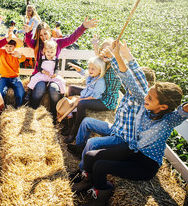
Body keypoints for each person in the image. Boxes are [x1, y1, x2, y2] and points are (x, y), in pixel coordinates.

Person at [71, 41, 188, 206]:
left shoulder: (169, 120)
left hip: (145, 164)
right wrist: (121, 56)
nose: (145, 97)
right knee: (91, 156)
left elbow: (183, 111)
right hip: (132, 151)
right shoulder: (145, 107)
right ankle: (87, 180)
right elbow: (132, 81)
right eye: (146, 95)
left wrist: (117, 57)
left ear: (163, 106)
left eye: (150, 97)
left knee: (100, 166)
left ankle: (101, 195)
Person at [67, 40, 156, 183]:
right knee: (86, 122)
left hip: (122, 138)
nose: (131, 81)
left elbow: (127, 76)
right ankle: (79, 148)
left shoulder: (141, 97)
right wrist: (127, 55)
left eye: (134, 80)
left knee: (92, 142)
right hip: (116, 128)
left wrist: (116, 57)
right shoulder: (130, 93)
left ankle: (82, 171)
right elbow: (132, 73)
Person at [24, 18, 98, 122]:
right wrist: (28, 32)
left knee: (54, 90)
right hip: (40, 74)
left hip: (53, 75)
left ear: (50, 32)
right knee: (39, 89)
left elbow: (71, 38)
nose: (43, 37)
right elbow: (28, 41)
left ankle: (56, 113)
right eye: (40, 35)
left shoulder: (58, 43)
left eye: (45, 34)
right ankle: (32, 110)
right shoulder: (37, 44)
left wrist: (83, 27)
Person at [61, 36, 121, 143]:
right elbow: (97, 61)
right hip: (96, 91)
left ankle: (74, 132)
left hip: (105, 100)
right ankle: (70, 120)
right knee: (71, 89)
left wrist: (118, 54)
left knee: (82, 103)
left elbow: (118, 63)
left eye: (109, 50)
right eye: (104, 50)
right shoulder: (104, 63)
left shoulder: (115, 68)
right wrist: (95, 45)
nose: (106, 53)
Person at [58, 56, 106, 143]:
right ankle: (69, 125)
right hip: (85, 95)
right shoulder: (91, 75)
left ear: (100, 71)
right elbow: (84, 73)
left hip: (91, 99)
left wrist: (82, 99)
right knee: (71, 90)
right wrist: (78, 68)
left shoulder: (100, 82)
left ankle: (73, 132)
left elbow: (95, 96)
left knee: (78, 104)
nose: (90, 70)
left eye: (93, 69)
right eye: (89, 68)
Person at [0, 37, 26, 107]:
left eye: (11, 46)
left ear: (14, 47)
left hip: (15, 78)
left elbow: (23, 58)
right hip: (4, 78)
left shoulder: (16, 54)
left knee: (21, 93)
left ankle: (19, 108)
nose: (8, 48)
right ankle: (0, 109)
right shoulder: (2, 53)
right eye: (6, 46)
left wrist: (19, 56)